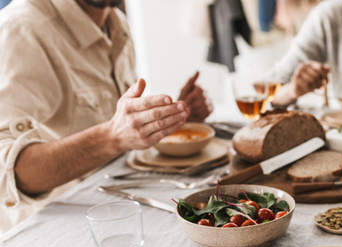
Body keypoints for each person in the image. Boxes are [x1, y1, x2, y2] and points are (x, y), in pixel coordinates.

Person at [0, 0, 213, 233]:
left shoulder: (116, 22)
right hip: (56, 233)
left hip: (123, 209)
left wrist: (173, 120)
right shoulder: (20, 30)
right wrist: (112, 137)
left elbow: (122, 128)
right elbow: (9, 175)